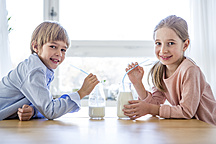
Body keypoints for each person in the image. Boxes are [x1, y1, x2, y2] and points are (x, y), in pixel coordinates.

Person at [123, 15, 216, 125]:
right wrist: (138, 83)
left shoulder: (190, 70)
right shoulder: (159, 70)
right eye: (158, 43)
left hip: (208, 128)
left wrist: (150, 109)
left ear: (185, 45)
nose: (163, 50)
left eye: (170, 43)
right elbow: (155, 103)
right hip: (189, 127)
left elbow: (186, 112)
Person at [0, 21, 99, 121]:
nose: (59, 54)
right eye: (53, 47)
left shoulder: (43, 69)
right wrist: (81, 93)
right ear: (36, 47)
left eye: (63, 50)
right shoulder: (35, 70)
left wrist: (33, 111)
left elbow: (44, 105)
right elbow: (50, 110)